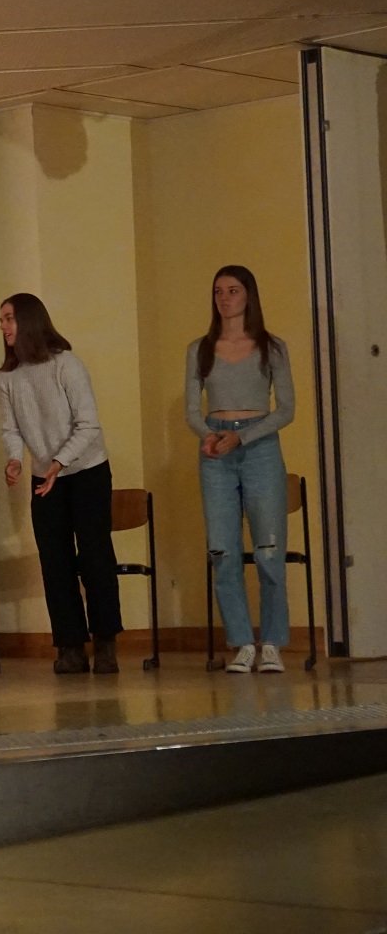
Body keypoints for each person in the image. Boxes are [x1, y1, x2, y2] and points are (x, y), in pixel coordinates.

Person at [0, 294, 120, 675]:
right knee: (55, 561)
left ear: (29, 321)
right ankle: (70, 646)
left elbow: (88, 424)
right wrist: (16, 459)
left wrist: (59, 462)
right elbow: (11, 428)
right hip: (44, 478)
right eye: (1, 320)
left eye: (9, 318)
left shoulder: (66, 364)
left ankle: (105, 642)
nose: (3, 326)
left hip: (86, 471)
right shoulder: (7, 376)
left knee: (95, 557)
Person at [187, 265, 295, 674]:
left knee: (268, 548)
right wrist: (208, 435)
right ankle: (242, 642)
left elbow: (286, 409)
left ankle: (272, 643)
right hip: (216, 450)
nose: (225, 298)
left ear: (249, 294)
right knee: (223, 549)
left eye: (233, 290)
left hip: (259, 446)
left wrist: (243, 437)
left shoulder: (272, 347)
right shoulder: (200, 348)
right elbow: (191, 409)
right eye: (218, 291)